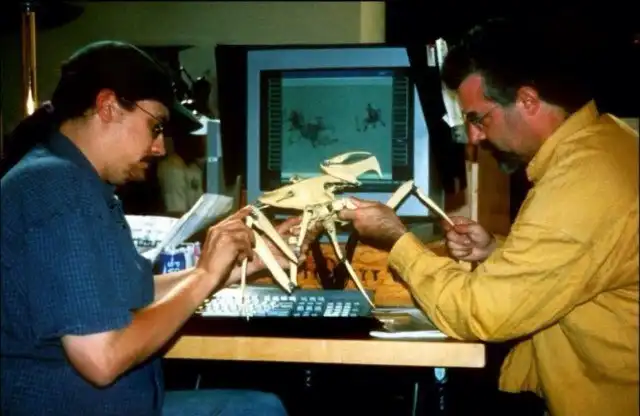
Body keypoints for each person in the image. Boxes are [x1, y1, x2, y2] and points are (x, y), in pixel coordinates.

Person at [337, 18, 638, 416]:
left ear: (527, 101)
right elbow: (583, 263)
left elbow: (482, 313)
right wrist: (497, 251)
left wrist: (398, 241)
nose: (475, 137)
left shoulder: (583, 181)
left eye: (479, 119)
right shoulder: (608, 142)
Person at [0, 40, 297, 416]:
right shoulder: (57, 188)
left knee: (260, 407)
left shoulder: (70, 180)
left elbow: (130, 294)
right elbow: (101, 359)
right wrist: (204, 275)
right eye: (155, 126)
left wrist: (239, 267)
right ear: (108, 106)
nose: (159, 147)